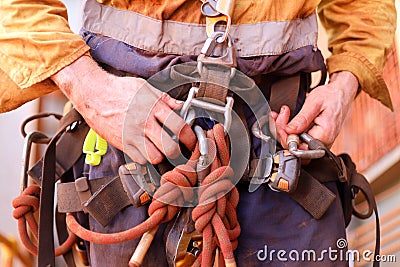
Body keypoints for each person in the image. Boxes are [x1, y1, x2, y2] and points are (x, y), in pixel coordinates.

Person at [0, 0, 396, 266]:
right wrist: (89, 89)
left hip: (280, 150)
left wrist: (346, 84)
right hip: (133, 144)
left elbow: (364, 7)